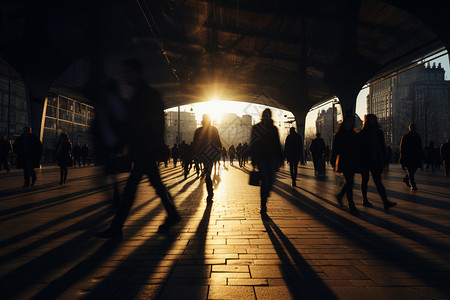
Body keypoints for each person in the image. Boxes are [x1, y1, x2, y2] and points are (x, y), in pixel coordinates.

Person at [96, 58, 180, 238]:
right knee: (153, 185)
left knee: (131, 189)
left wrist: (120, 146)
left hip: (144, 149)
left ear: (136, 72)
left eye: (128, 73)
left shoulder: (145, 95)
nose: (125, 77)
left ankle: (116, 227)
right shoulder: (144, 94)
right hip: (145, 149)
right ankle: (172, 214)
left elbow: (137, 125)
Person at [359, 114, 397, 211]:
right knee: (365, 180)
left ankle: (385, 201)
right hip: (365, 160)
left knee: (377, 181)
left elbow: (382, 147)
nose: (372, 121)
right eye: (371, 120)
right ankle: (365, 199)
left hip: (375, 160)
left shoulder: (378, 132)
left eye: (373, 119)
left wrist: (384, 160)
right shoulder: (363, 133)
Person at [250, 108, 283, 218]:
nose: (266, 117)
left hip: (272, 157)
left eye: (268, 115)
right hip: (262, 158)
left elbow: (277, 144)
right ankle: (263, 205)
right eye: (265, 115)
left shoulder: (273, 129)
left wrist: (280, 158)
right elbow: (253, 145)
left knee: (270, 180)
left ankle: (266, 193)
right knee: (265, 180)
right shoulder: (256, 128)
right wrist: (254, 160)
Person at [330, 116, 361, 216]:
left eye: (351, 121)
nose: (350, 123)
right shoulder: (340, 134)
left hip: (352, 160)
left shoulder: (354, 134)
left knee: (349, 181)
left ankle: (341, 195)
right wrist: (333, 160)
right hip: (344, 160)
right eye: (349, 121)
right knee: (350, 181)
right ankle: (351, 204)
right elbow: (335, 149)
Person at [192, 114, 222, 203]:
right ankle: (210, 192)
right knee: (208, 173)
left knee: (207, 173)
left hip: (203, 155)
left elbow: (195, 143)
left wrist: (195, 154)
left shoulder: (198, 131)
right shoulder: (214, 129)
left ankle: (210, 192)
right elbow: (219, 142)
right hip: (211, 154)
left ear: (202, 120)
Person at [399, 123, 424, 191]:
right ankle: (413, 185)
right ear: (410, 128)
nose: (413, 129)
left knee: (413, 170)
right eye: (412, 128)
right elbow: (402, 148)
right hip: (408, 156)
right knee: (410, 170)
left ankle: (406, 179)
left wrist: (422, 155)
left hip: (416, 156)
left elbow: (420, 146)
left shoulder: (417, 136)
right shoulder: (406, 136)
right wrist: (402, 157)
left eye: (414, 128)